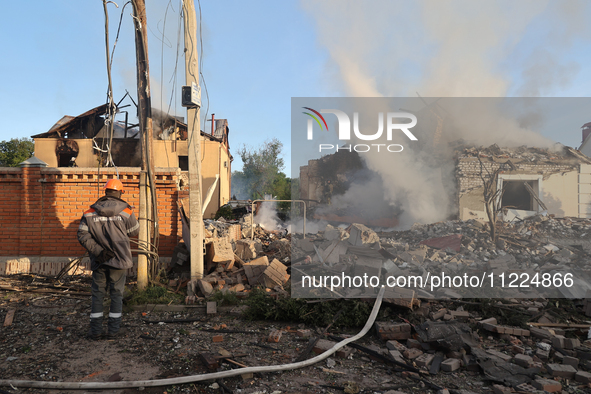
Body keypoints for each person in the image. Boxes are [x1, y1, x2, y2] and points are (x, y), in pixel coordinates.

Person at [77, 179, 139, 339]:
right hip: (120, 260)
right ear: (119, 193)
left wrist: (99, 251)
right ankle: (113, 331)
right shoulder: (126, 211)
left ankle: (95, 331)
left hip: (100, 260)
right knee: (116, 294)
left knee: (98, 294)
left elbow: (82, 235)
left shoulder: (90, 212)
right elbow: (133, 231)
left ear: (105, 192)